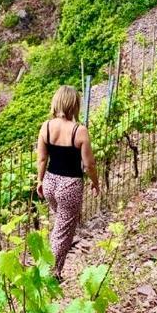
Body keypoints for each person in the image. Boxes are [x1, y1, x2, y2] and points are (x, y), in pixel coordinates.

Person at [36, 85, 99, 278]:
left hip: (50, 182)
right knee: (63, 233)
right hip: (69, 184)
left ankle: (51, 270)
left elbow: (41, 159)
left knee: (60, 225)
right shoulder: (79, 131)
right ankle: (50, 274)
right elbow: (88, 164)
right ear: (75, 105)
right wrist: (95, 183)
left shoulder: (46, 126)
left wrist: (40, 180)